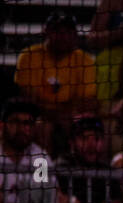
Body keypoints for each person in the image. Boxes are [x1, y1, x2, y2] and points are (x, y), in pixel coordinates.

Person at [0, 98, 84, 203]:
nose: (22, 129)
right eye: (16, 122)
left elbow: (51, 192)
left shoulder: (38, 156)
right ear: (2, 125)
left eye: (27, 123)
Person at [13, 13, 99, 155]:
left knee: (84, 128)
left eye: (68, 32)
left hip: (70, 116)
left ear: (75, 35)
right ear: (46, 32)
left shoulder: (85, 60)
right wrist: (57, 113)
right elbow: (28, 99)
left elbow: (87, 101)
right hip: (41, 117)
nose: (63, 37)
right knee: (43, 128)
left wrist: (63, 113)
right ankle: (43, 176)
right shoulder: (29, 56)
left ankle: (74, 172)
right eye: (57, 31)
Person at [59, 114, 123, 203]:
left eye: (97, 139)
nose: (91, 144)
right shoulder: (61, 168)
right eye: (84, 138)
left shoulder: (108, 173)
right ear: (71, 143)